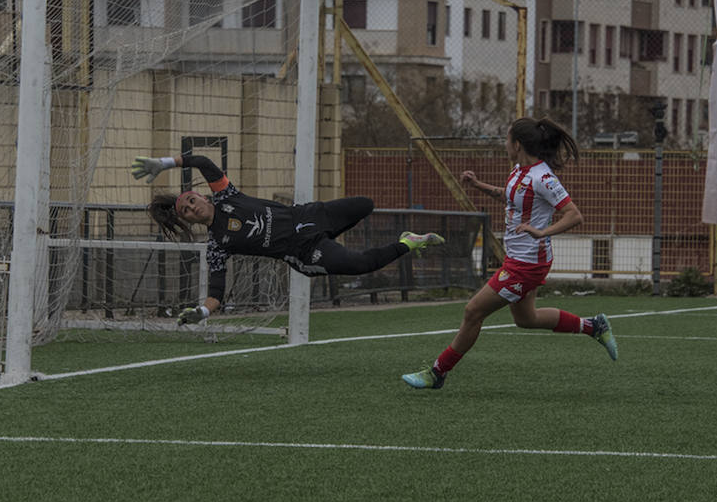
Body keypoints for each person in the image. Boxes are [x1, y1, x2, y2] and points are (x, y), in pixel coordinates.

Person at [399, 117, 617, 390]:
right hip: (517, 259)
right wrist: (479, 185)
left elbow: (574, 215)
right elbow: (511, 195)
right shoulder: (519, 170)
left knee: (473, 311)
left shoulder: (544, 178)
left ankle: (437, 372)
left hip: (527, 264)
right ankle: (594, 326)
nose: (504, 144)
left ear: (517, 144)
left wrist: (542, 232)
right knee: (526, 319)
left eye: (506, 139)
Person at [133, 153, 444, 324]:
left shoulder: (227, 194)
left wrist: (164, 163)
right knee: (361, 263)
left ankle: (336, 238)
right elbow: (217, 292)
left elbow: (202, 161)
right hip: (305, 251)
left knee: (365, 204)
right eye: (186, 211)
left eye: (191, 199)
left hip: (308, 217)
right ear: (188, 220)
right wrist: (202, 312)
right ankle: (409, 243)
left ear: (199, 194)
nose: (192, 207)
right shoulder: (217, 244)